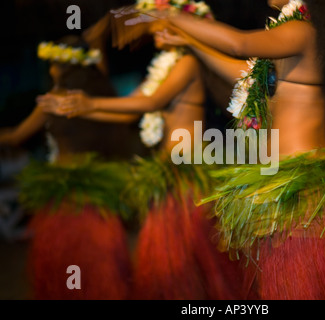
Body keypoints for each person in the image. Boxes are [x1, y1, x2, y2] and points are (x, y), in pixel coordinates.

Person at [120, 0, 325, 300]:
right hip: (281, 175)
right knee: (290, 275)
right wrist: (191, 41)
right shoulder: (294, 32)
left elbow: (240, 43)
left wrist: (167, 13)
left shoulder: (301, 30)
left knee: (300, 277)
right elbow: (247, 76)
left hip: (299, 180)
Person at [42, 1, 243, 300]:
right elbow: (128, 112)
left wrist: (91, 103)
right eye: (154, 25)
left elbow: (151, 103)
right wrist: (79, 109)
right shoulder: (163, 66)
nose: (154, 30)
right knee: (174, 256)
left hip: (187, 168)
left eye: (162, 24)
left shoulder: (187, 61)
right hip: (168, 168)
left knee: (190, 253)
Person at [0, 35, 134, 299]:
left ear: (63, 66)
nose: (50, 69)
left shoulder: (56, 99)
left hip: (65, 189)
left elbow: (16, 137)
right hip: (99, 187)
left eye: (53, 64)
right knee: (99, 258)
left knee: (67, 259)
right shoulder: (100, 92)